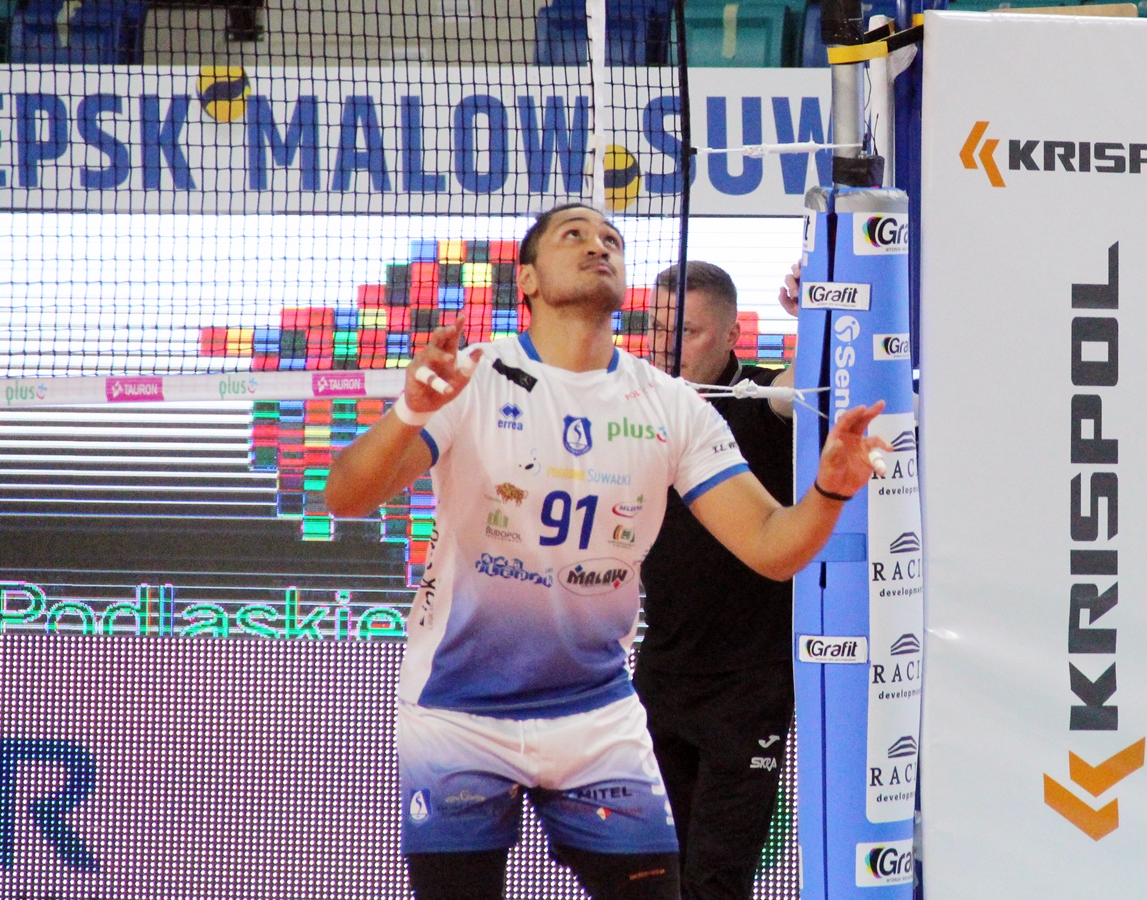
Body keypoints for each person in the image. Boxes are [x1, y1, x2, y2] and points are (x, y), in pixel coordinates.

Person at [323, 203, 885, 900]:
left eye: (611, 239)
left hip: (595, 714)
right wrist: (408, 411)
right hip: (460, 710)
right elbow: (345, 496)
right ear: (528, 279)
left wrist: (829, 491)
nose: (598, 245)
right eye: (575, 235)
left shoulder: (671, 405)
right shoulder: (473, 378)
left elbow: (773, 547)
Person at [636, 261, 801, 900]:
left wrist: (819, 310)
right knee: (656, 878)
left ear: (732, 335)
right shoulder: (636, 404)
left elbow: (807, 382)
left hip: (748, 688)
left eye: (688, 332)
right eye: (658, 328)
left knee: (715, 880)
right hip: (661, 678)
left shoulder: (760, 396)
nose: (667, 346)